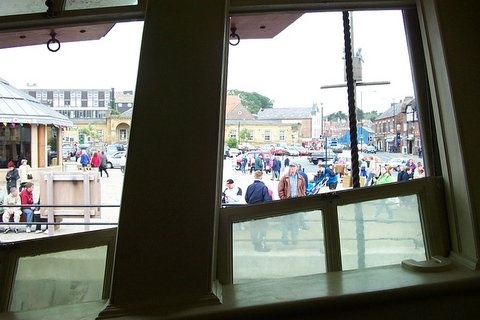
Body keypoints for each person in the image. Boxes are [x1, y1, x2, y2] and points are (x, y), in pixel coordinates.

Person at [278, 163, 306, 245]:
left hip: (297, 202)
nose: (292, 169)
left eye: (293, 167)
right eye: (290, 167)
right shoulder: (284, 178)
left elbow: (303, 190)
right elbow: (280, 189)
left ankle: (294, 238)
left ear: (296, 168)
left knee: (295, 222)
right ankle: (285, 238)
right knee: (285, 221)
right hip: (287, 201)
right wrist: (283, 198)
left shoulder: (301, 178)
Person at [245, 171, 272, 252]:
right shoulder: (264, 187)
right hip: (261, 211)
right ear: (261, 177)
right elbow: (267, 200)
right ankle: (261, 244)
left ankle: (255, 243)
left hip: (251, 210)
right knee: (262, 228)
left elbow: (246, 198)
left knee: (253, 228)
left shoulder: (249, 187)